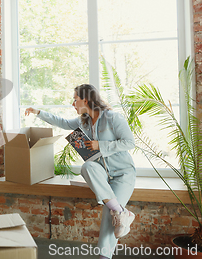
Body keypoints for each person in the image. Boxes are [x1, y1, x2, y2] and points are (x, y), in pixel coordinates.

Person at [25, 84, 136, 259]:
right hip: (102, 176)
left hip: (123, 174)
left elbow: (130, 142)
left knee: (109, 213)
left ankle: (104, 256)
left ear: (86, 100)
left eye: (75, 99)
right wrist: (38, 112)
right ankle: (122, 213)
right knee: (87, 167)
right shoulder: (82, 121)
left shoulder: (113, 118)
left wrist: (101, 145)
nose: (73, 104)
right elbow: (61, 122)